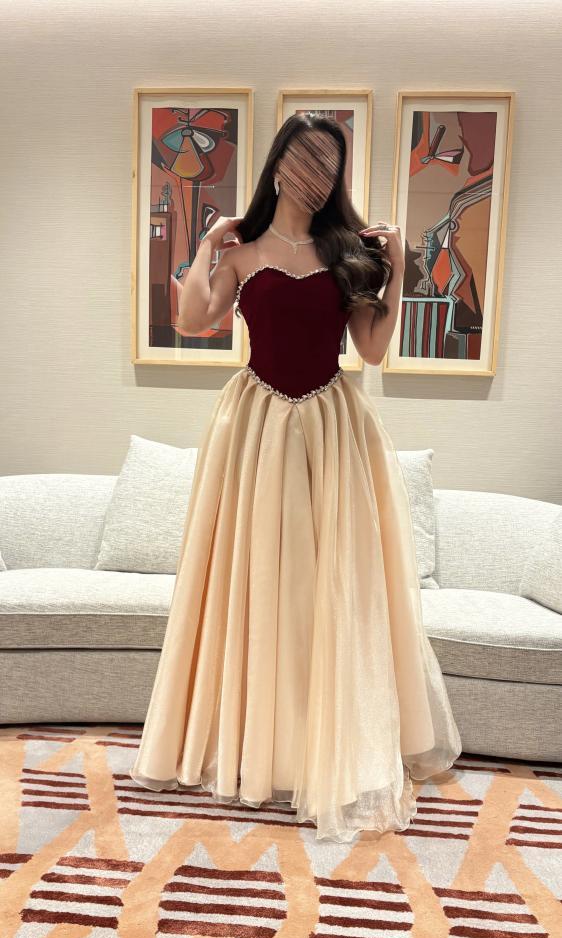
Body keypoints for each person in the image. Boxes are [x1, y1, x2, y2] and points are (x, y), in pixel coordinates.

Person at [129, 113, 462, 843]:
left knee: (331, 586)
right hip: (255, 429)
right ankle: (260, 749)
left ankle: (325, 747)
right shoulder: (242, 252)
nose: (316, 172)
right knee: (253, 581)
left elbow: (370, 351)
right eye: (306, 155)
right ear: (279, 162)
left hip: (332, 431)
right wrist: (206, 248)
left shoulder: (349, 255)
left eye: (329, 162)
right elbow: (192, 319)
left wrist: (398, 270)